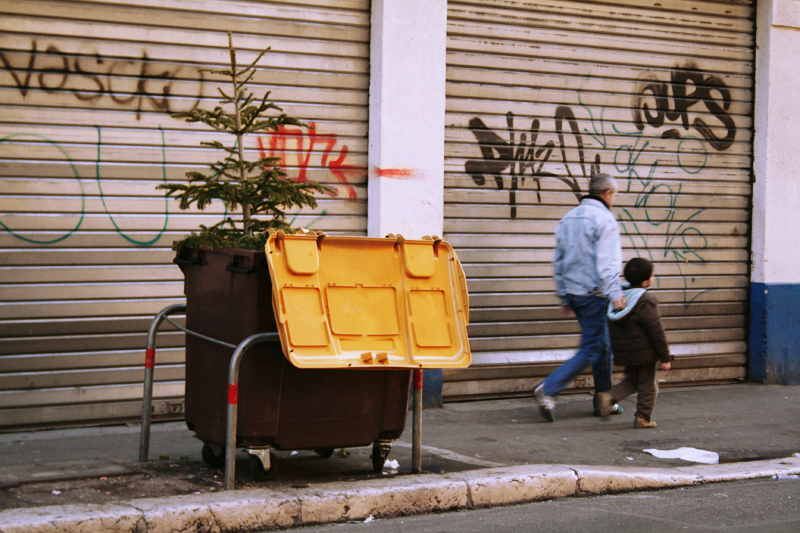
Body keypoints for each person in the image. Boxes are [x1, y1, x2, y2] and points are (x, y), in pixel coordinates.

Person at [534, 173, 626, 422]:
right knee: (592, 348)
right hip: (593, 294)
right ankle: (549, 388)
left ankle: (604, 402)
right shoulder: (604, 219)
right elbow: (608, 263)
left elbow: (559, 260)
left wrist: (564, 295)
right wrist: (616, 293)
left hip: (575, 293)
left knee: (602, 347)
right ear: (607, 194)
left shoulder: (569, 218)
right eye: (614, 195)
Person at [597, 257, 672, 428]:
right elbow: (656, 331)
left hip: (626, 351)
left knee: (632, 380)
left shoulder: (620, 298)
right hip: (644, 353)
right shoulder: (645, 302)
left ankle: (609, 397)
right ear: (646, 282)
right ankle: (643, 418)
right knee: (648, 386)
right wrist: (665, 356)